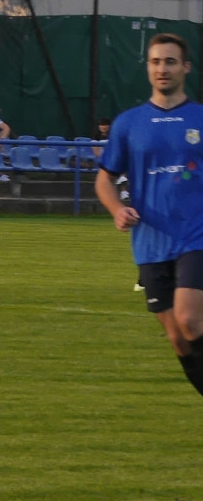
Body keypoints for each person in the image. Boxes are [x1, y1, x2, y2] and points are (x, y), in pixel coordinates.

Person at [95, 32, 203, 405]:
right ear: (148, 68)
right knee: (177, 337)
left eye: (170, 61)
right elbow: (104, 178)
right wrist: (117, 209)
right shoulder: (129, 123)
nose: (163, 68)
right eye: (156, 62)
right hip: (149, 242)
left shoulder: (200, 119)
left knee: (190, 320)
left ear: (185, 67)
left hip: (195, 236)